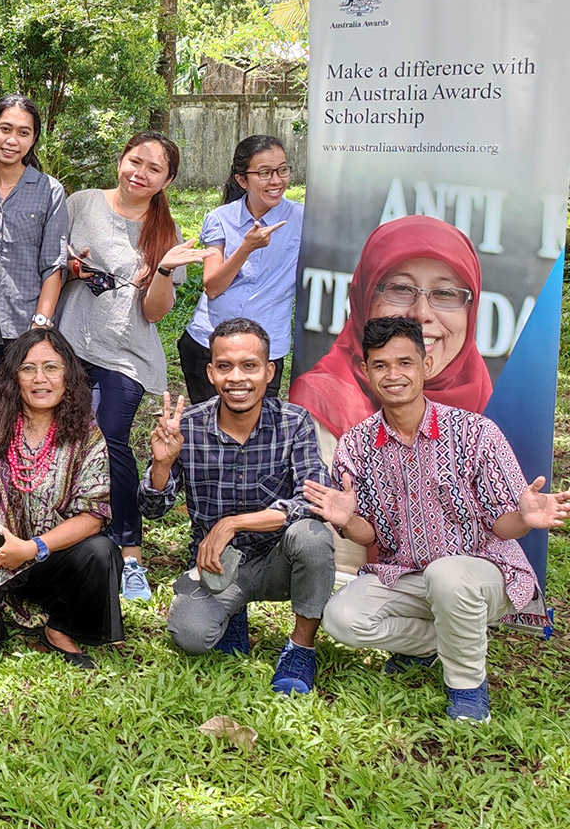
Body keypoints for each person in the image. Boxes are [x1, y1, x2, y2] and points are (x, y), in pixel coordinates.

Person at [306, 317, 569, 723]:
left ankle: (466, 687)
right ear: (366, 371)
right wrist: (347, 519)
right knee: (342, 619)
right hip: (406, 572)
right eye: (381, 365)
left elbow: (502, 525)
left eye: (405, 363)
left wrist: (525, 517)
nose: (393, 375)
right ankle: (435, 643)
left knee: (447, 575)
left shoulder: (475, 433)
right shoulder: (356, 444)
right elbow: (367, 534)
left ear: (426, 365)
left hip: (483, 573)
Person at [141, 317, 334, 696]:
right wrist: (162, 464)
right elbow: (153, 509)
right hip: (220, 565)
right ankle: (233, 614)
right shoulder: (190, 427)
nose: (237, 378)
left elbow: (314, 499)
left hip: (280, 559)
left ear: (268, 371)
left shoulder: (294, 422)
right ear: (211, 372)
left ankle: (301, 648)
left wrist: (233, 522)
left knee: (312, 536)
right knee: (191, 636)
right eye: (225, 366)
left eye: (249, 366)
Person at [55, 131, 208, 602]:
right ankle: (66, 532)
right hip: (70, 342)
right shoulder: (81, 203)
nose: (139, 173)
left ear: (167, 180)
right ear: (120, 160)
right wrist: (72, 268)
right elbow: (50, 261)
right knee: (64, 435)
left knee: (110, 436)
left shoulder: (166, 233)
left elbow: (156, 313)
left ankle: (130, 552)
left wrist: (161, 271)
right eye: (134, 161)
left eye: (153, 169)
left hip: (126, 354)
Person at [0, 328, 122, 668]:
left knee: (101, 553)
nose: (39, 379)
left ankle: (59, 627)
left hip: (46, 558)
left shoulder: (86, 434)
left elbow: (92, 517)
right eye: (28, 368)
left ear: (68, 375)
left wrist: (31, 548)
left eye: (51, 368)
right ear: (14, 377)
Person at [289, 215, 491, 453]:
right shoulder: (323, 404)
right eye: (401, 289)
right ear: (363, 297)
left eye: (445, 293)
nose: (421, 312)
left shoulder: (491, 402)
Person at [0, 95, 69, 401]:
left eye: (24, 132)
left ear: (33, 139)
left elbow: (53, 266)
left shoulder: (49, 191)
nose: (12, 140)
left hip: (26, 333)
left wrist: (39, 333)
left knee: (26, 420)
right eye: (5, 129)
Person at [179, 136, 303, 404]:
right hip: (208, 343)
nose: (276, 181)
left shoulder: (302, 219)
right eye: (264, 173)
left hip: (265, 349)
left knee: (256, 435)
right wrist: (246, 248)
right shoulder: (221, 219)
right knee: (209, 433)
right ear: (242, 180)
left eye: (282, 170)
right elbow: (212, 286)